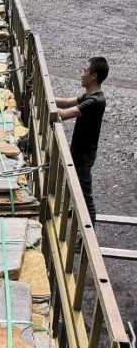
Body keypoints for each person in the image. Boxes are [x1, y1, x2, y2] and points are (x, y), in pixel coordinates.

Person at [56, 57, 109, 225]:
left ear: (93, 76)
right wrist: (42, 93)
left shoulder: (95, 101)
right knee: (79, 190)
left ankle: (88, 232)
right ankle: (78, 213)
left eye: (84, 70)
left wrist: (44, 104)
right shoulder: (89, 96)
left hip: (84, 156)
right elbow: (65, 102)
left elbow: (65, 114)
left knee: (86, 198)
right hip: (80, 152)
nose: (81, 74)